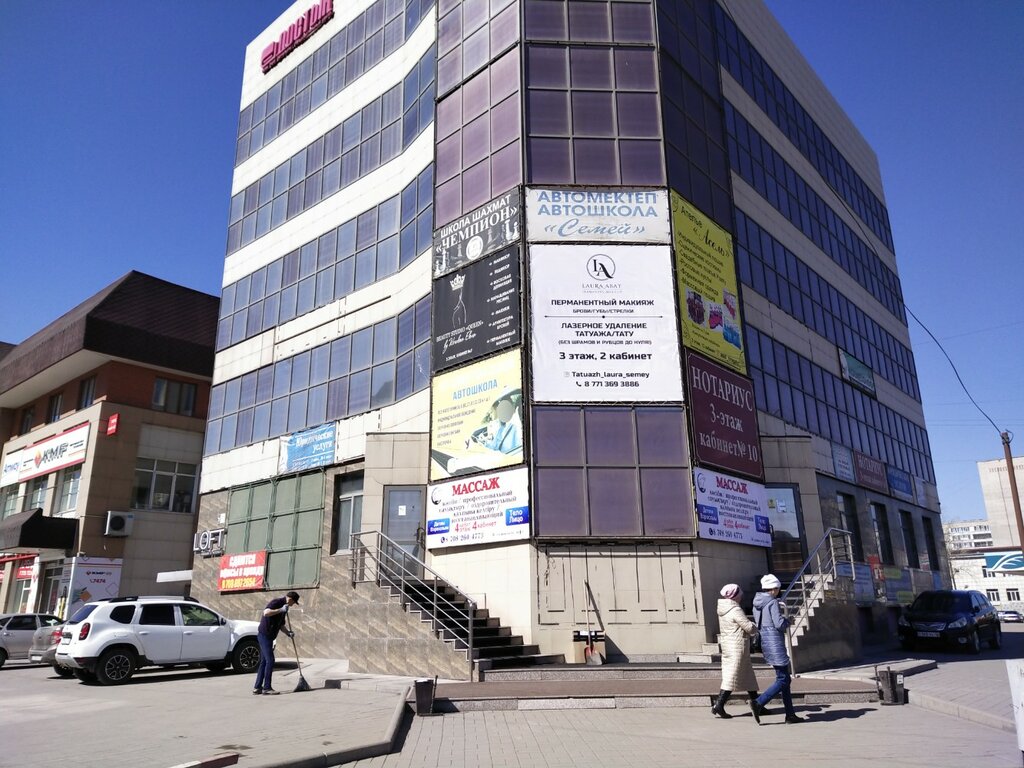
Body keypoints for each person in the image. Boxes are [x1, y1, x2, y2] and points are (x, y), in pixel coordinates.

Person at [752, 575, 804, 723]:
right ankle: (758, 703)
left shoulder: (757, 602)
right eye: (778, 588)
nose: (778, 591)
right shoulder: (773, 602)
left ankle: (790, 714)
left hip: (766, 641)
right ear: (774, 589)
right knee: (783, 679)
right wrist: (788, 620)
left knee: (784, 679)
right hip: (775, 641)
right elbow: (779, 624)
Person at [712, 583, 761, 719]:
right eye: (740, 594)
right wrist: (755, 626)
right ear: (735, 596)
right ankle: (719, 704)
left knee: (748, 676)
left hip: (729, 645)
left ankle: (758, 704)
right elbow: (749, 628)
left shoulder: (723, 609)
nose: (741, 596)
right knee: (732, 676)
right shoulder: (735, 610)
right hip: (737, 647)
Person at [253, 590, 300, 695]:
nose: (293, 605)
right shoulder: (276, 602)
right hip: (264, 635)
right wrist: (281, 609)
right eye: (293, 602)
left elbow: (281, 625)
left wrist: (288, 633)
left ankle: (257, 687)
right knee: (270, 660)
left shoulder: (285, 608)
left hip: (269, 637)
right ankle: (267, 688)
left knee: (264, 662)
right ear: (290, 599)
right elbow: (266, 613)